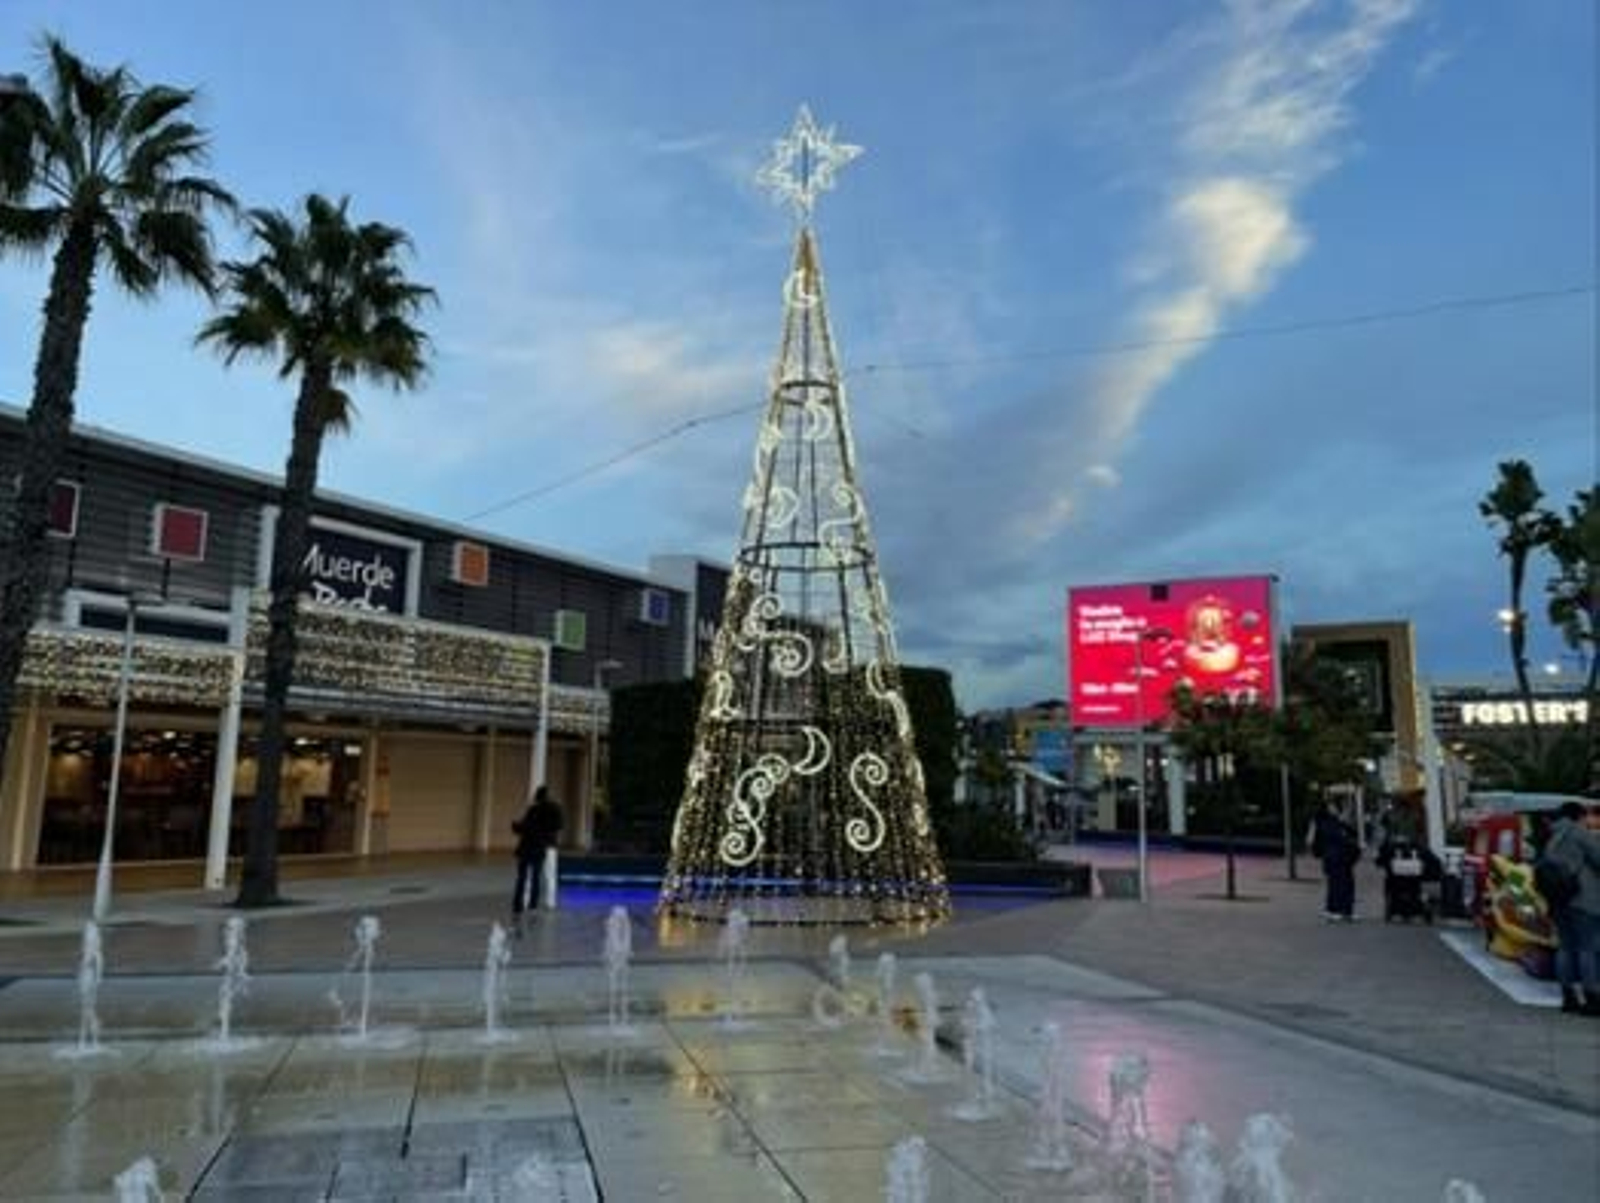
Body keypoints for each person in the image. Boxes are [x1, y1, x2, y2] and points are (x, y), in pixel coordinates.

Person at [1541, 801, 1600, 1016]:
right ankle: (1592, 998)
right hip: (1583, 899)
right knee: (1587, 948)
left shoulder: (1553, 836)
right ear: (1579, 816)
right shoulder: (1580, 834)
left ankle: (1568, 997)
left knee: (1565, 947)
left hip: (1559, 901)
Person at [511, 786, 563, 933]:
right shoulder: (554, 809)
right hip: (542, 847)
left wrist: (516, 826)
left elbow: (524, 826)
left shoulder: (534, 810)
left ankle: (519, 905)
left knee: (524, 878)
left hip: (528, 848)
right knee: (542, 876)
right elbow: (559, 825)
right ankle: (540, 904)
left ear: (537, 797)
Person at [1311, 799, 1361, 922]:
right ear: (1327, 809)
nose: (1335, 808)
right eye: (1332, 806)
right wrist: (1344, 833)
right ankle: (1333, 910)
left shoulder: (1337, 821)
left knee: (1347, 884)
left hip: (1344, 858)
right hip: (1333, 858)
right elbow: (1334, 838)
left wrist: (1344, 823)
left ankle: (1347, 911)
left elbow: (1353, 833)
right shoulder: (1324, 822)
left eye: (1335, 806)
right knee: (1336, 885)